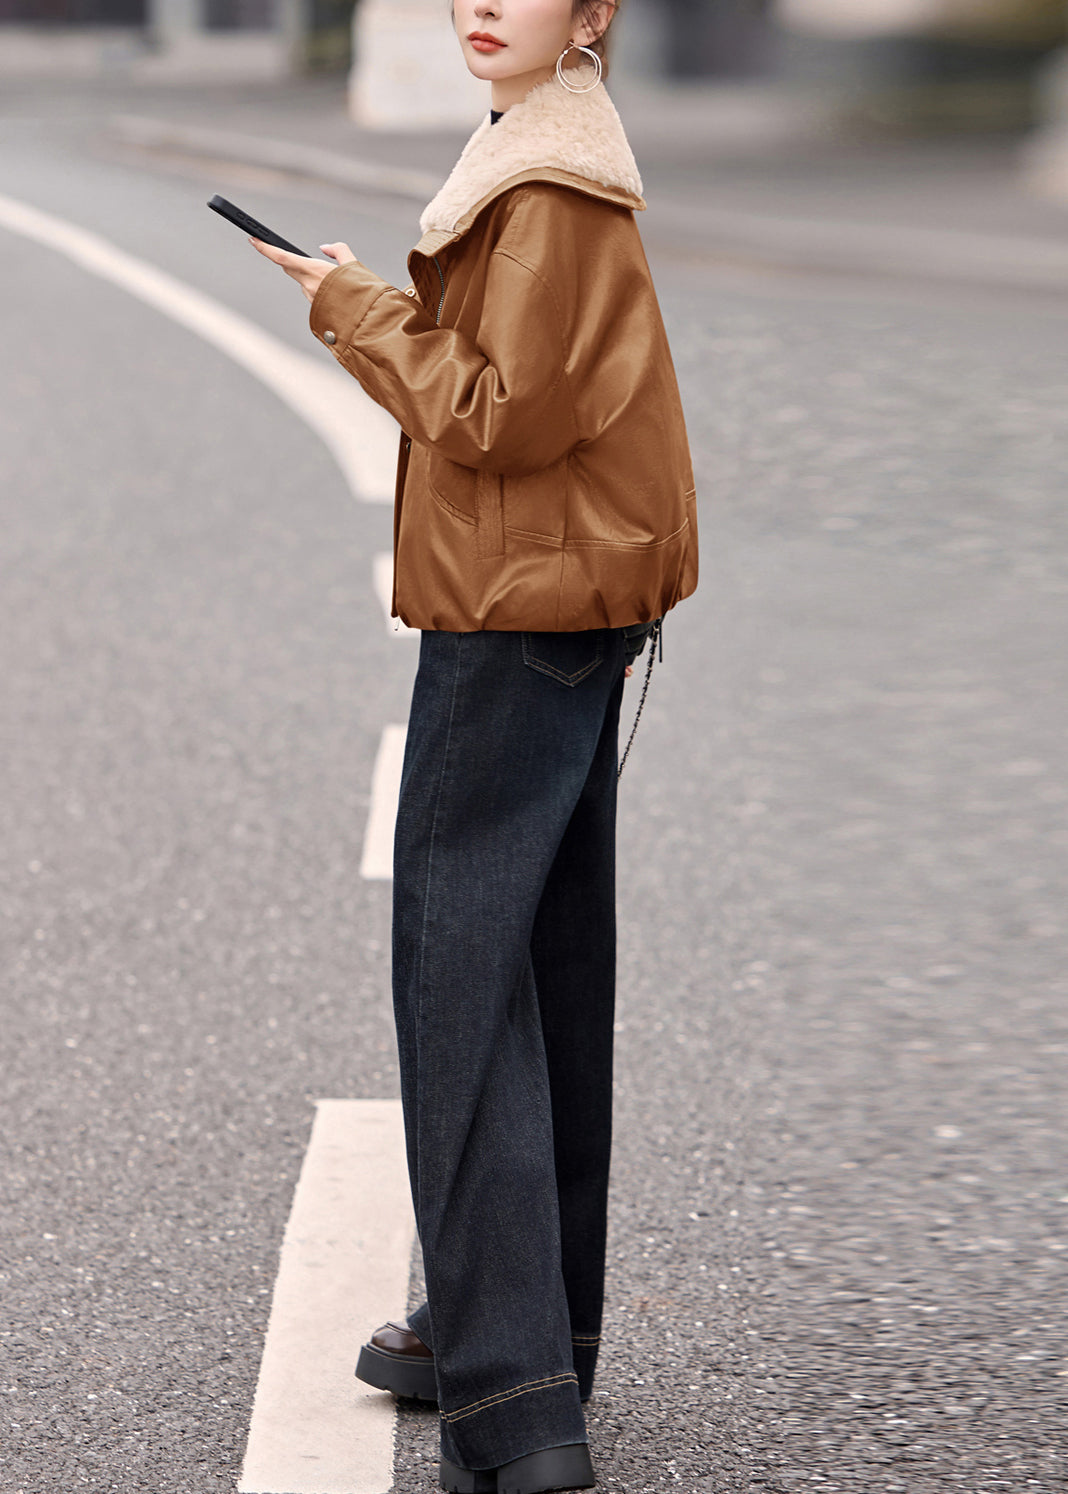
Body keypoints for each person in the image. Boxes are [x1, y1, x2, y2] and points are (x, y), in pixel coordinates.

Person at [250, 2, 697, 1489]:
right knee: (541, 974)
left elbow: (500, 417)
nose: (482, 4)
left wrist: (352, 309)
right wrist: (373, 298)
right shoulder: (549, 152)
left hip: (516, 610)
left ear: (594, 13)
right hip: (558, 600)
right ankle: (519, 1341)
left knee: (463, 981)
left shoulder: (549, 185)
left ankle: (514, 1399)